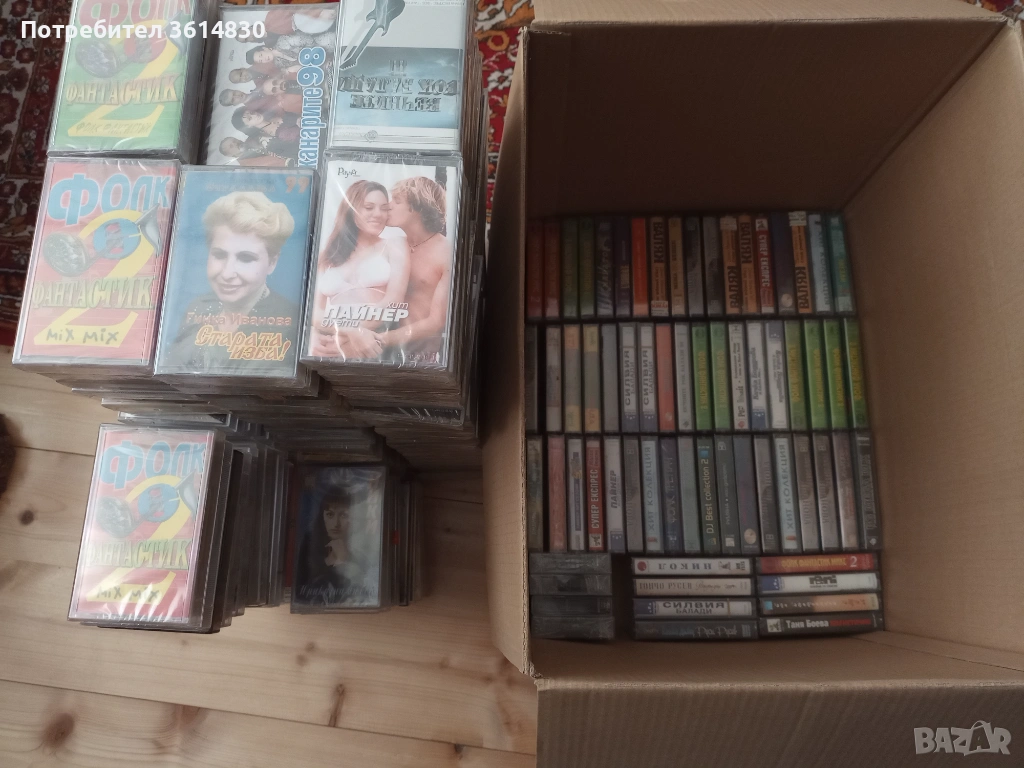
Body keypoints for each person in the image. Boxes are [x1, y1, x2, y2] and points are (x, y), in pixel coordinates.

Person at [161, 191, 298, 372]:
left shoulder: (291, 322)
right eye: (219, 255)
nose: (227, 273)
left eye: (245, 258)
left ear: (272, 262)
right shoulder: (197, 308)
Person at [311, 180, 410, 359]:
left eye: (384, 208)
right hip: (332, 342)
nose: (378, 214)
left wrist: (354, 335)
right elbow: (315, 311)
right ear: (351, 210)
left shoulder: (394, 244)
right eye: (369, 207)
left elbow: (393, 301)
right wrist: (351, 331)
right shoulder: (328, 254)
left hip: (374, 341)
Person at [374, 176, 453, 364]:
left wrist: (380, 340)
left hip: (422, 359)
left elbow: (436, 321)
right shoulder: (392, 246)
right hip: (379, 354)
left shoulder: (446, 252)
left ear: (417, 207)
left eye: (396, 201)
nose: (388, 206)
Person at [296, 480, 381, 608]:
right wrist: (328, 563)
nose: (336, 523)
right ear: (322, 516)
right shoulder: (309, 543)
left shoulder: (361, 551)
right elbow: (301, 592)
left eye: (343, 515)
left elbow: (367, 590)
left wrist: (345, 562)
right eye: (330, 514)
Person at [218, 135, 293, 167]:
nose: (235, 143)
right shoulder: (247, 167)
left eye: (234, 140)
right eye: (231, 146)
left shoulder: (254, 138)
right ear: (230, 155)